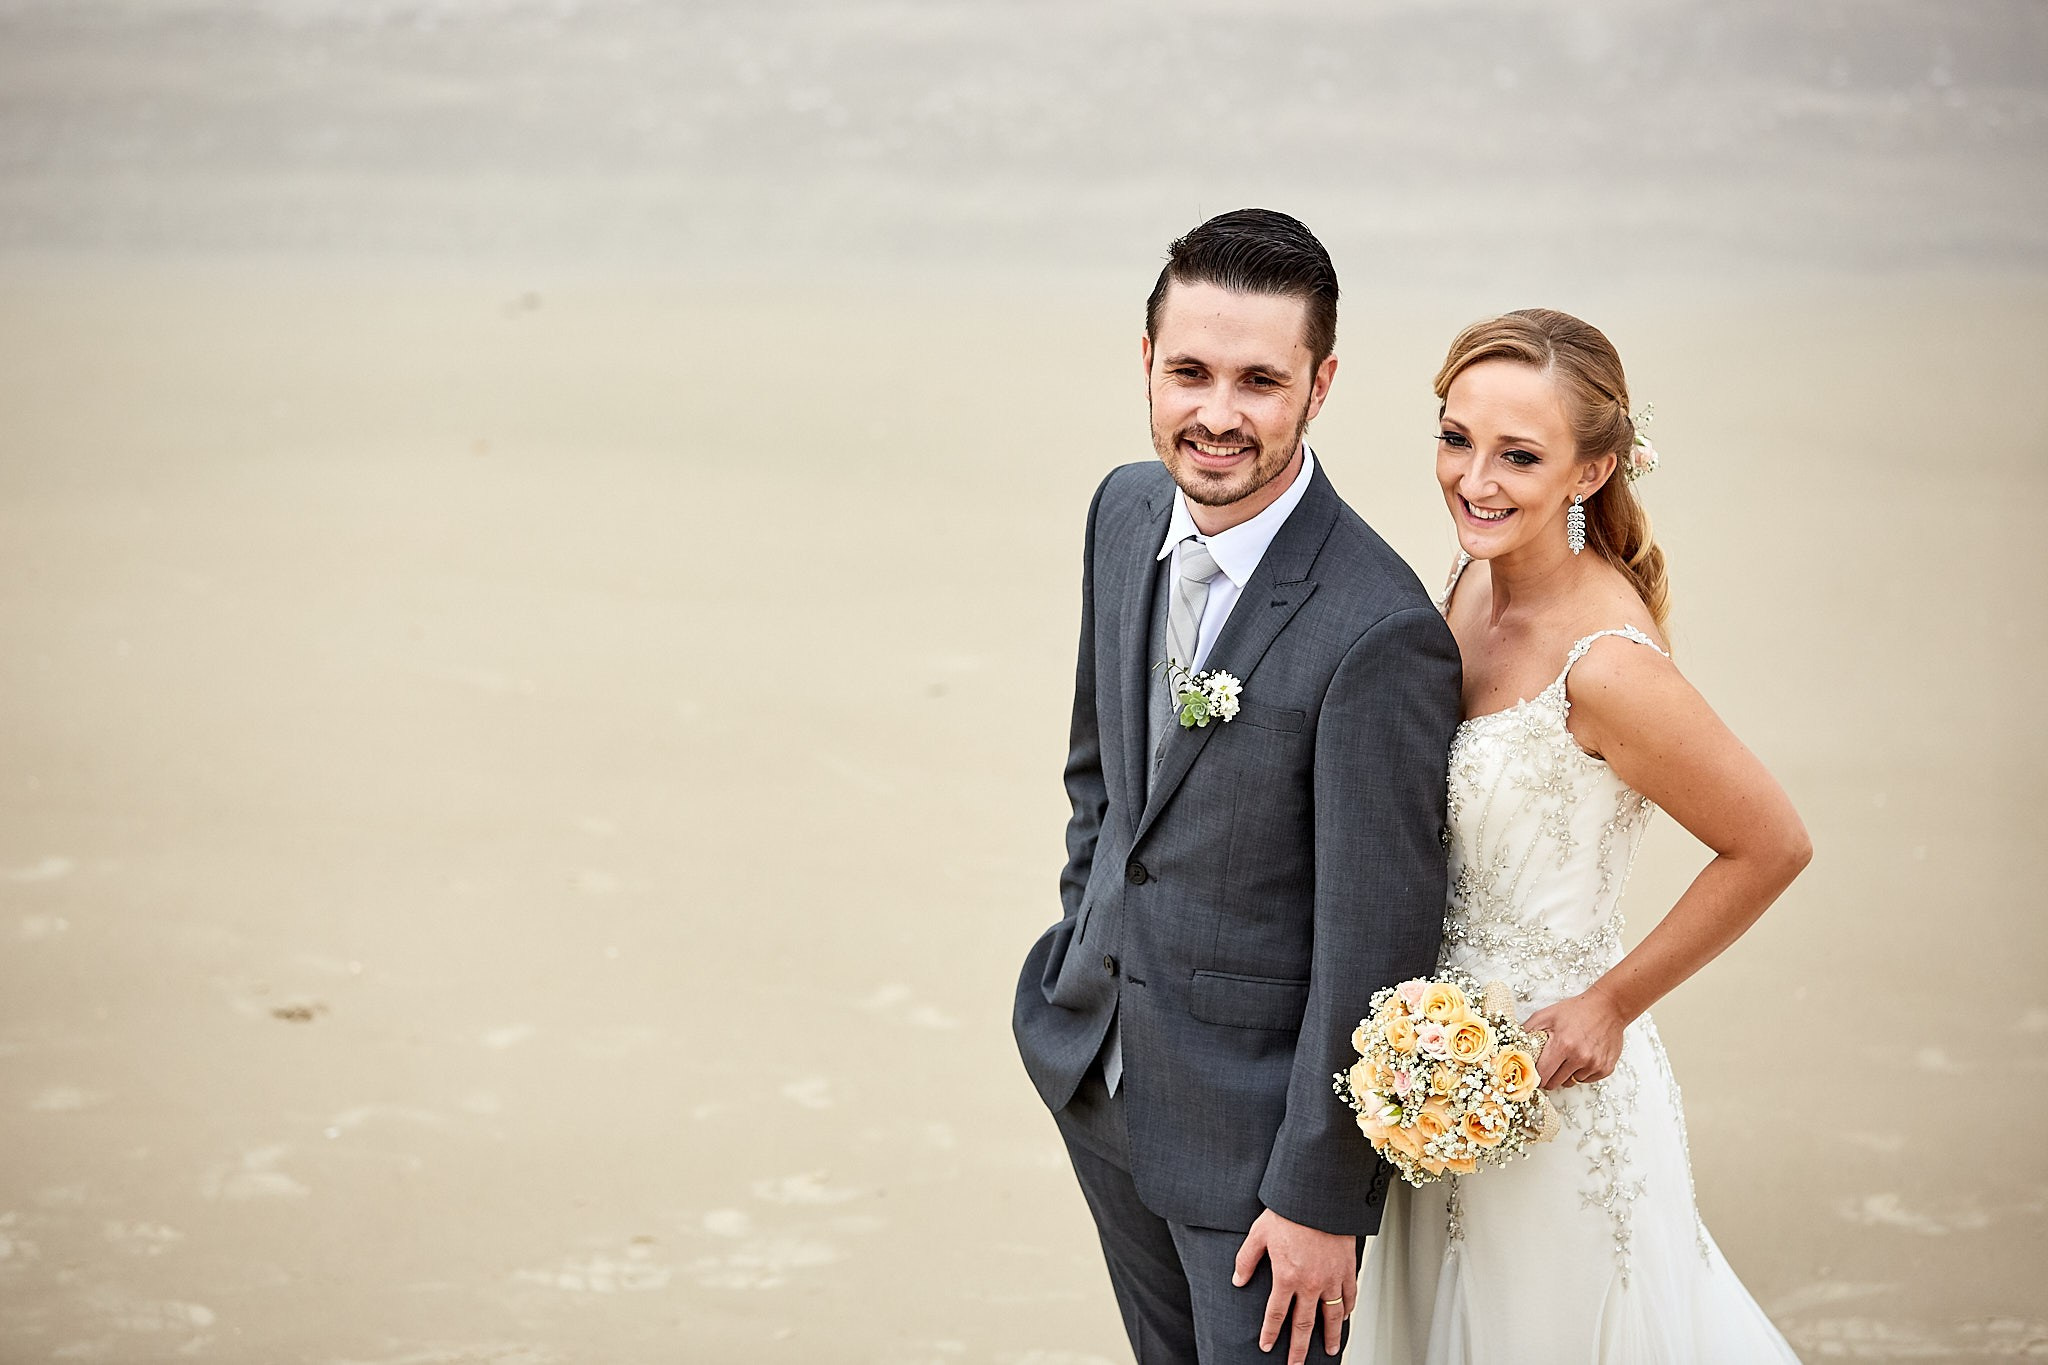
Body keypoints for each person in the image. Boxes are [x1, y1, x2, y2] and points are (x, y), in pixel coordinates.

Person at [1011, 208, 1463, 1365]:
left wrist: (1321, 1191)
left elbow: (1378, 935)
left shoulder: (1378, 632)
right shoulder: (1121, 511)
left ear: (1319, 386)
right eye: (1189, 372)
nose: (1216, 415)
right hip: (1098, 1076)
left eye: (1258, 380)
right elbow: (1099, 775)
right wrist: (1083, 943)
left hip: (1258, 1159)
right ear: (1147, 364)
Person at [1353, 309, 1813, 1361]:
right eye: (1453, 436)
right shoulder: (1472, 582)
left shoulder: (1607, 668)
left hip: (1555, 1087)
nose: (1473, 478)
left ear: (1591, 471)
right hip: (1435, 1071)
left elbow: (1770, 843)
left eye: (1519, 455)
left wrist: (1610, 1002)